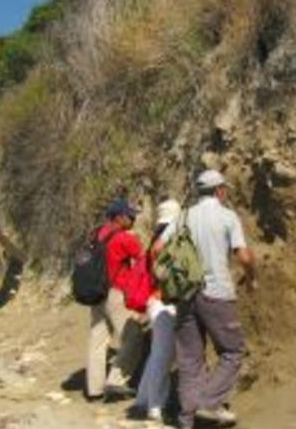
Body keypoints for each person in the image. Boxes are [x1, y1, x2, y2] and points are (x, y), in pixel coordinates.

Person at [153, 170, 256, 429]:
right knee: (233, 351)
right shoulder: (227, 216)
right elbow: (243, 257)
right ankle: (208, 404)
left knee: (190, 359)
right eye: (225, 189)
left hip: (186, 295)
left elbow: (156, 249)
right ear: (220, 190)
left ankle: (188, 421)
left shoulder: (183, 216)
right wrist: (252, 276)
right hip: (217, 293)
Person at [86, 198, 146, 401]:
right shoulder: (125, 238)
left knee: (98, 340)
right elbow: (144, 258)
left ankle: (94, 390)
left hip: (96, 293)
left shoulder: (97, 233)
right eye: (131, 215)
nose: (134, 218)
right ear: (119, 217)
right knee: (133, 337)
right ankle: (116, 381)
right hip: (115, 294)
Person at [132, 199, 181, 422]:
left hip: (154, 302)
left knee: (157, 354)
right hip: (166, 303)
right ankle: (155, 405)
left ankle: (144, 399)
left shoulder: (155, 240)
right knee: (164, 354)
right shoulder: (170, 240)